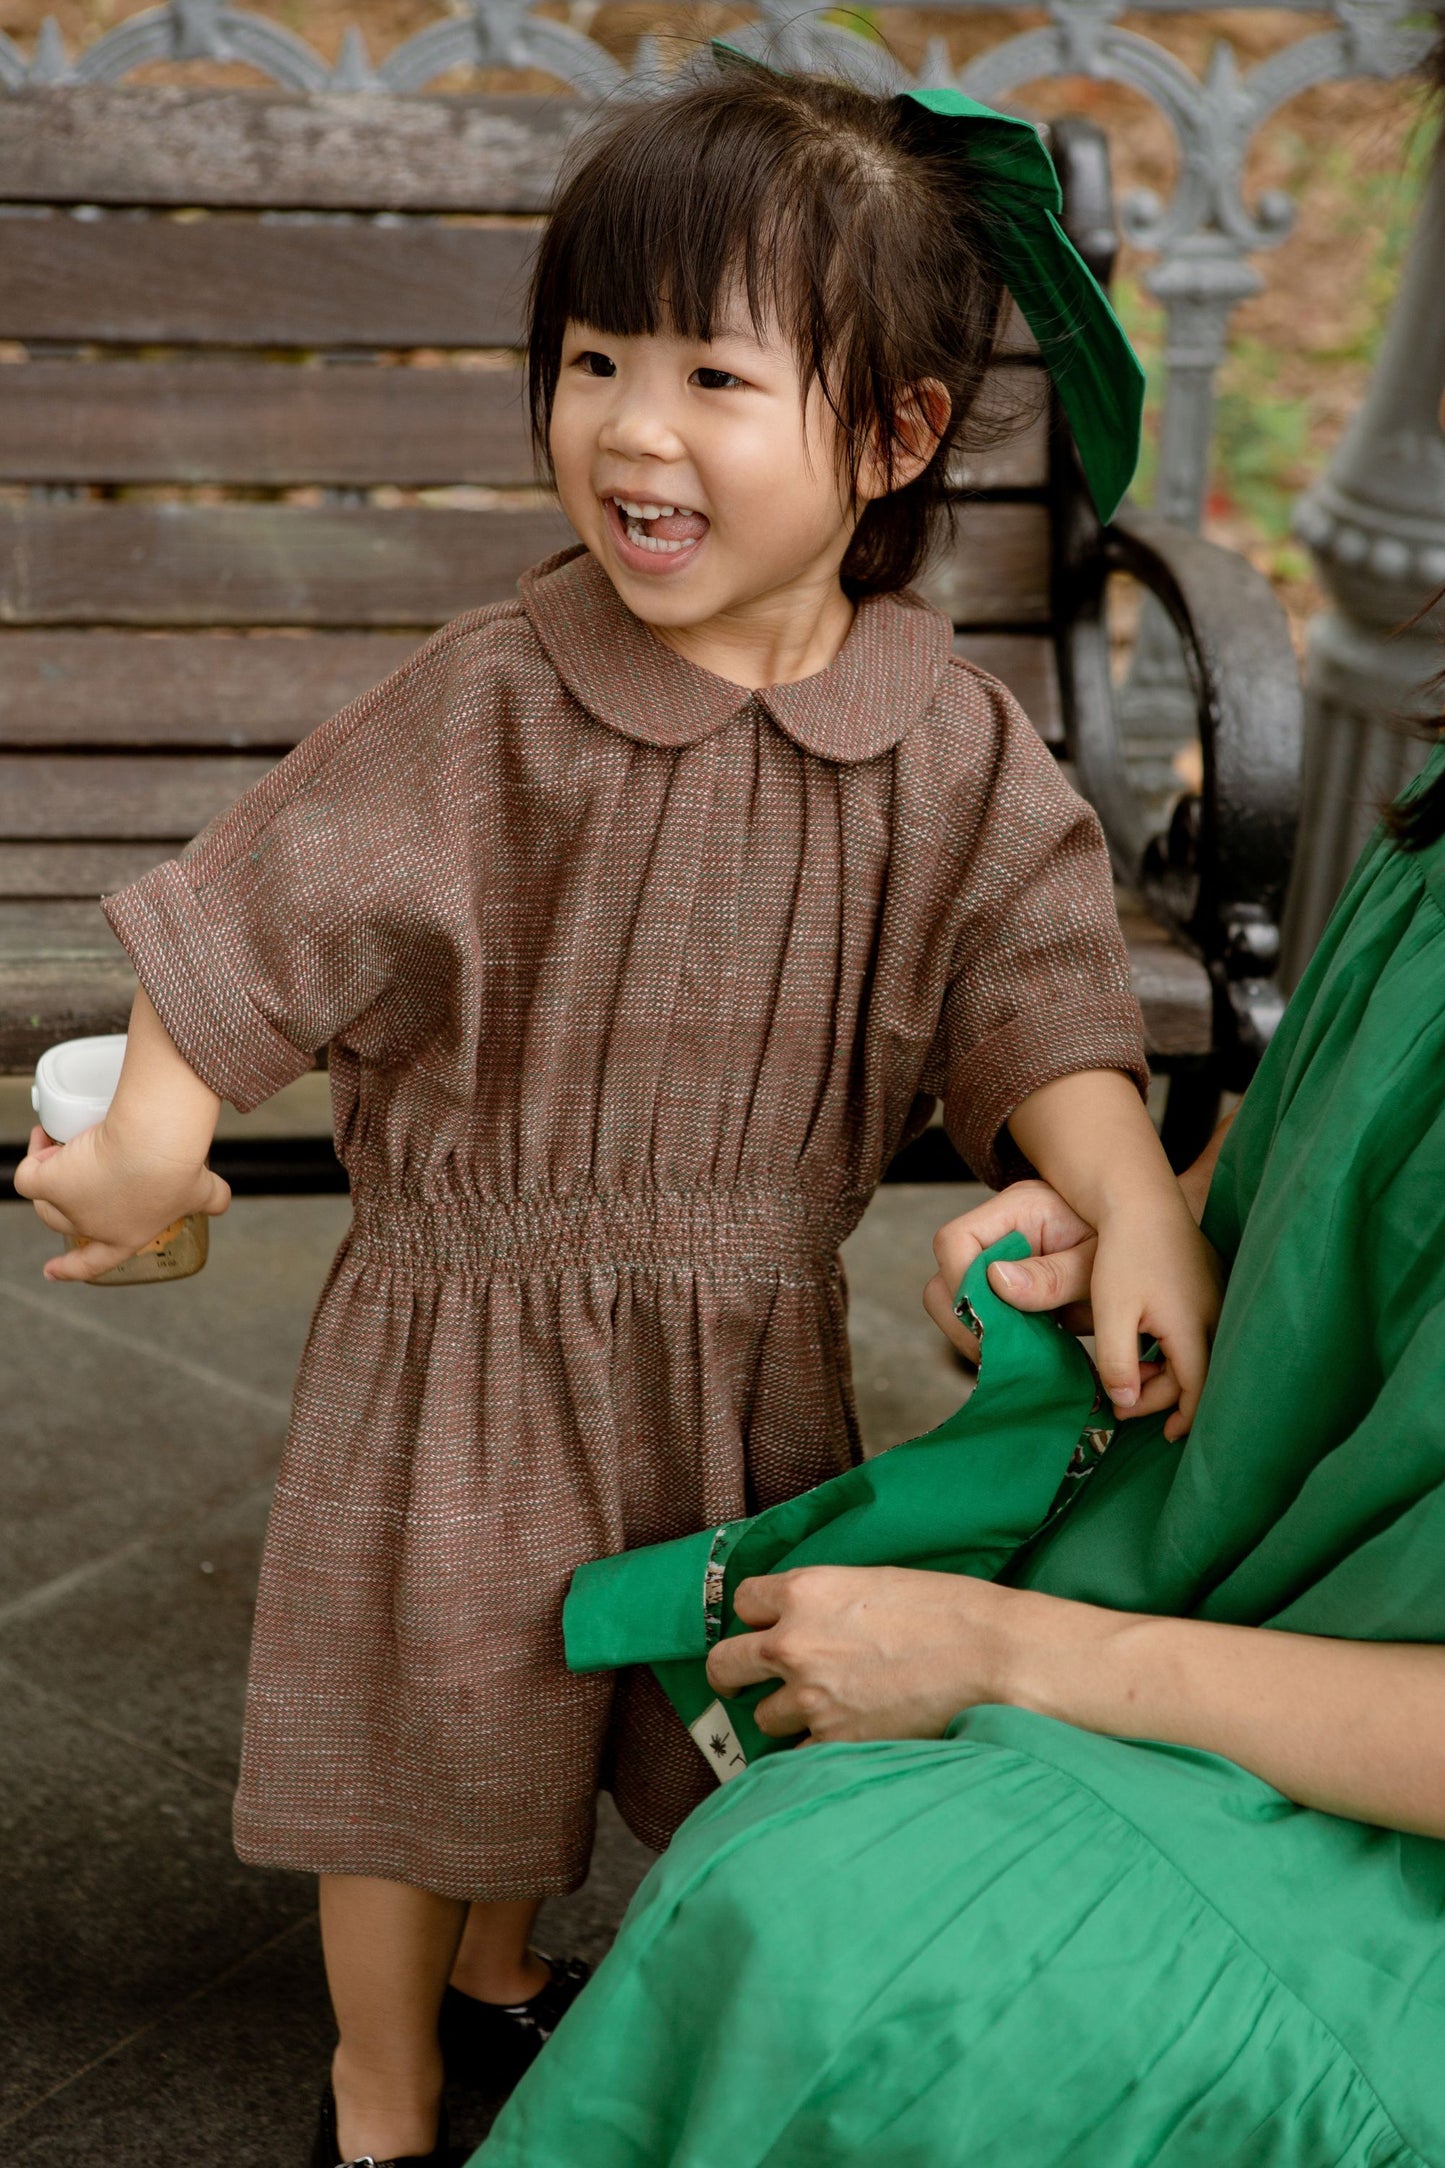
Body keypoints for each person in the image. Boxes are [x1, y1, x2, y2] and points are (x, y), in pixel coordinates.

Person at [13, 59, 1217, 2168]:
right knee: (430, 1731)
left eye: (713, 376)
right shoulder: (500, 700)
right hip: (466, 1338)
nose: (631, 429)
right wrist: (152, 1122)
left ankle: (499, 1981)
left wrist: (1133, 1195)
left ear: (894, 435)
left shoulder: (944, 743)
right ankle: (379, 2092)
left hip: (736, 1337)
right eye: (590, 360)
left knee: (635, 1692)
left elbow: (1043, 995)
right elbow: (272, 896)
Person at [472, 623, 1445, 2159]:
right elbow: (1327, 1138)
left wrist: (1004, 1650)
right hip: (1228, 1589)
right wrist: (1144, 1231)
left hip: (1383, 1857)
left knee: (836, 1934)